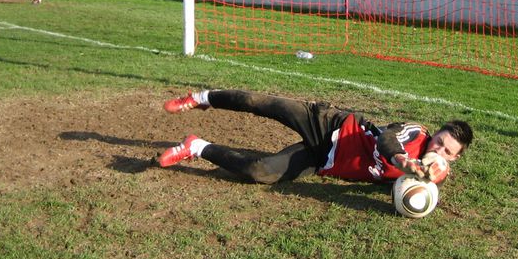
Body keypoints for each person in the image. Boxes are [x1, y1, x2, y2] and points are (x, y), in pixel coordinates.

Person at [155, 88, 473, 186]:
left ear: (454, 158)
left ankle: (194, 146)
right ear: (435, 133)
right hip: (329, 124)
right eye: (439, 140)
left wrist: (427, 177)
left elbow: (419, 191)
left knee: (259, 172)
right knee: (260, 104)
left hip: (323, 160)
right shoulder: (416, 133)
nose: (438, 148)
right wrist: (402, 160)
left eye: (446, 150)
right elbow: (387, 139)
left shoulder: (431, 175)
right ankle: (201, 98)